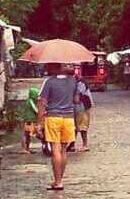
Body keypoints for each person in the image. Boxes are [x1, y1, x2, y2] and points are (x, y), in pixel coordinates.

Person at [37, 63, 79, 191]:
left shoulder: (49, 82)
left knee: (55, 149)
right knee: (64, 150)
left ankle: (58, 182)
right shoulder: (73, 81)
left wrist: (39, 123)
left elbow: (43, 104)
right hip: (68, 118)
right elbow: (76, 100)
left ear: (53, 68)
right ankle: (60, 180)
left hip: (53, 117)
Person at [73, 77, 93, 151]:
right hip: (79, 107)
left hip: (82, 107)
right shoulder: (78, 81)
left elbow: (77, 98)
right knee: (75, 127)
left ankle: (85, 145)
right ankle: (72, 145)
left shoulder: (80, 83)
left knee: (82, 127)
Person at [22, 87, 42, 153]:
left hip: (32, 120)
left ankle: (27, 148)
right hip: (29, 121)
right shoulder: (30, 101)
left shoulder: (32, 101)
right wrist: (42, 112)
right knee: (26, 134)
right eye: (37, 95)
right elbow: (35, 110)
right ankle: (24, 149)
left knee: (28, 136)